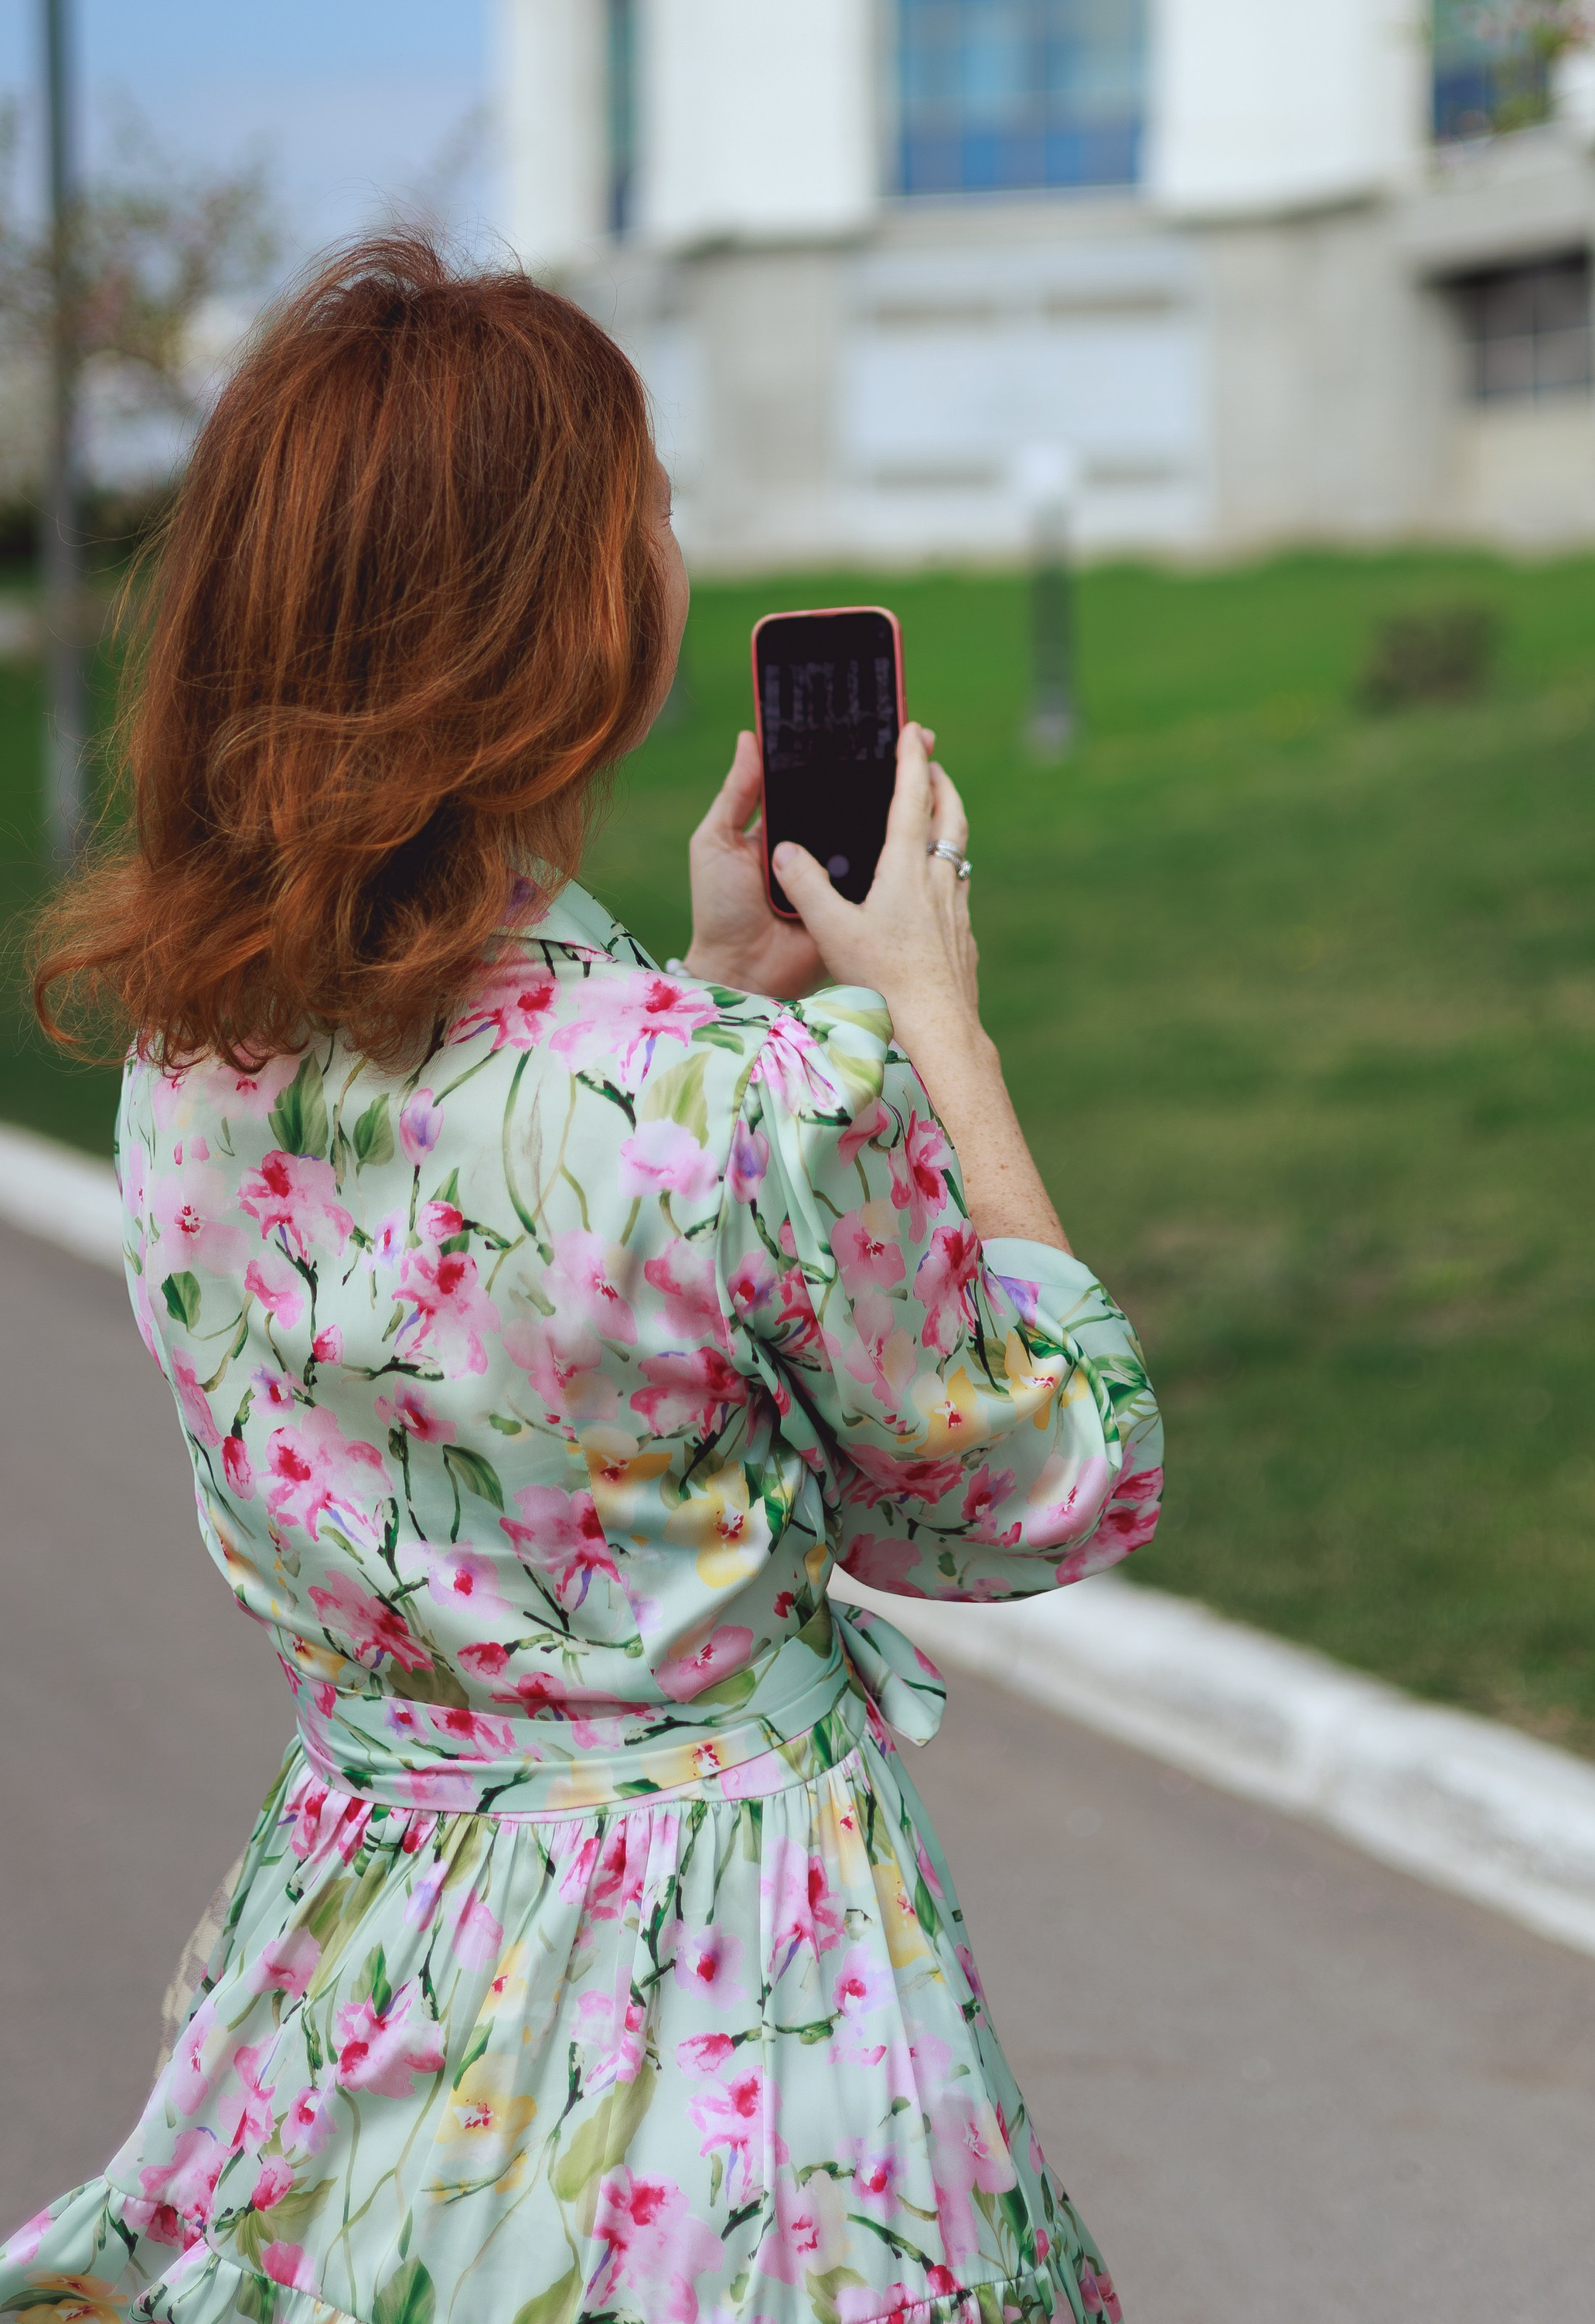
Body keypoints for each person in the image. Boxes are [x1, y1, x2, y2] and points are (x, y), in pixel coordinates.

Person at [2, 237, 1162, 2324]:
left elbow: (540, 1302)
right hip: (740, 2017)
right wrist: (928, 1013)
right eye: (646, 519)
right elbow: (1035, 1483)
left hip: (371, 1973)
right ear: (566, 620)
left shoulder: (196, 1068)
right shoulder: (733, 1112)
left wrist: (715, 983)